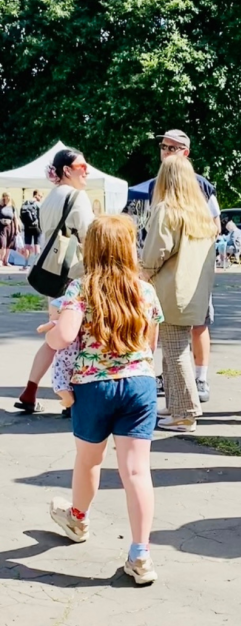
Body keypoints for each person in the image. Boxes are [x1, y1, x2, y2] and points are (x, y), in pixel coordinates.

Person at [45, 215, 164, 585]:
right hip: (139, 385)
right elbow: (150, 343)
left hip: (94, 388)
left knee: (89, 460)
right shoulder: (144, 290)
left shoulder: (80, 289)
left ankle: (78, 517)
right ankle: (140, 554)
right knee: (136, 472)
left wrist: (51, 330)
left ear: (92, 249)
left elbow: (63, 338)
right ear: (129, 247)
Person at [14, 149, 94, 415]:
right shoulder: (77, 197)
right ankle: (71, 397)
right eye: (82, 166)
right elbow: (91, 238)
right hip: (74, 275)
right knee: (76, 338)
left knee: (55, 335)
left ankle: (30, 389)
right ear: (67, 170)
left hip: (52, 274)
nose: (87, 170)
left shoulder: (50, 197)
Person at [142, 155, 217, 433]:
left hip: (170, 290)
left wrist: (142, 273)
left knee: (174, 351)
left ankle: (185, 412)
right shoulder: (200, 214)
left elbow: (154, 253)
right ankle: (176, 405)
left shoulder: (166, 210)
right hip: (194, 290)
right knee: (175, 349)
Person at [20, 190, 42, 266]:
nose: (41, 198)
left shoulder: (26, 203)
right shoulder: (38, 204)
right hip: (37, 227)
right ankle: (36, 265)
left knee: (27, 245)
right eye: (40, 196)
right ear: (36, 195)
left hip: (27, 227)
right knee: (37, 245)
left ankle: (25, 264)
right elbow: (41, 216)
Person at [0, 192, 19, 267]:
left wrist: (17, 229)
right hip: (1, 227)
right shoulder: (0, 206)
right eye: (5, 196)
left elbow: (15, 218)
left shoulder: (12, 207)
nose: (7, 198)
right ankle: (1, 260)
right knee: (2, 244)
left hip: (11, 227)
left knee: (9, 245)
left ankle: (6, 261)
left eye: (8, 196)